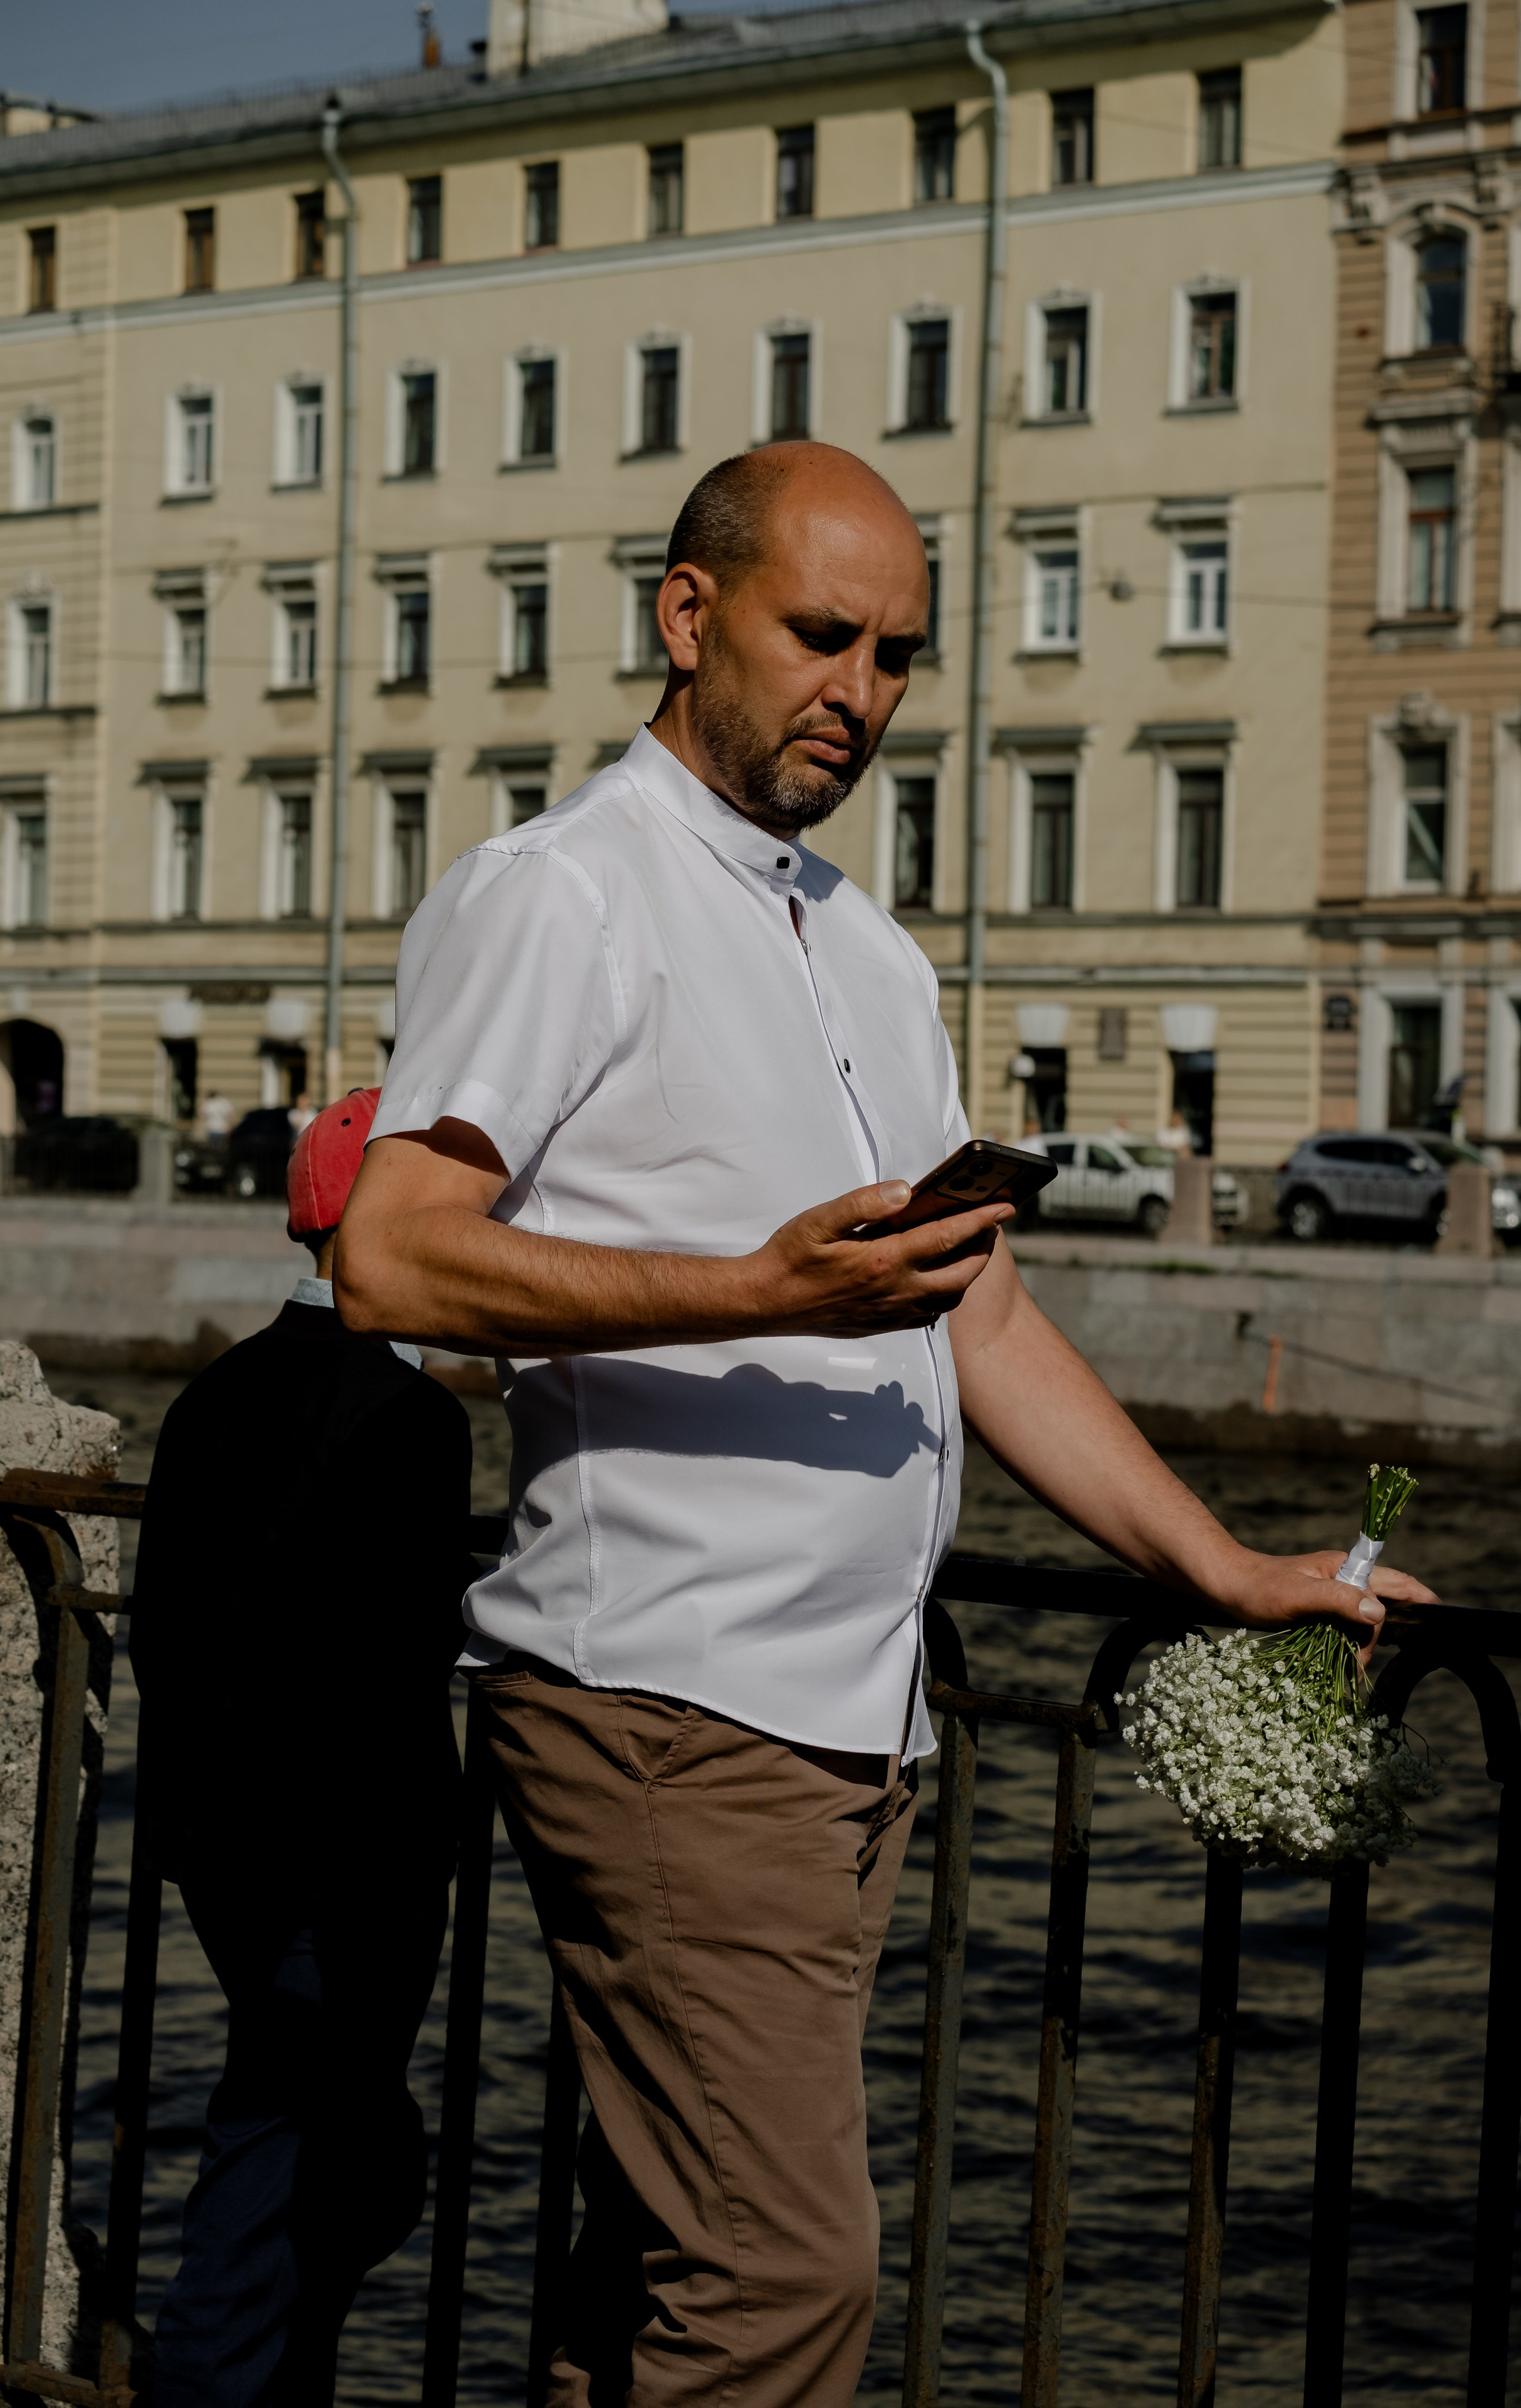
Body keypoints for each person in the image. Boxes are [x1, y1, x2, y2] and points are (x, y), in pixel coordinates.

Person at [335, 442, 1434, 2408]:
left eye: (899, 658)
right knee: (782, 2283)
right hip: (670, 1703)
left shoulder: (863, 944)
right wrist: (758, 1290)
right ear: (687, 619)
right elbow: (397, 1262)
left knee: (663, 2271)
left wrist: (1226, 1567)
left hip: (844, 1720)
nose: (861, 690)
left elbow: (978, 1308)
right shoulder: (562, 893)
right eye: (820, 634)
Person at [130, 1087, 471, 2408]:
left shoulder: (212, 1394)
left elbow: (173, 1628)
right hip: (346, 1867)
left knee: (319, 2145)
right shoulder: (412, 1421)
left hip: (222, 1849)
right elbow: (391, 1668)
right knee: (289, 2161)